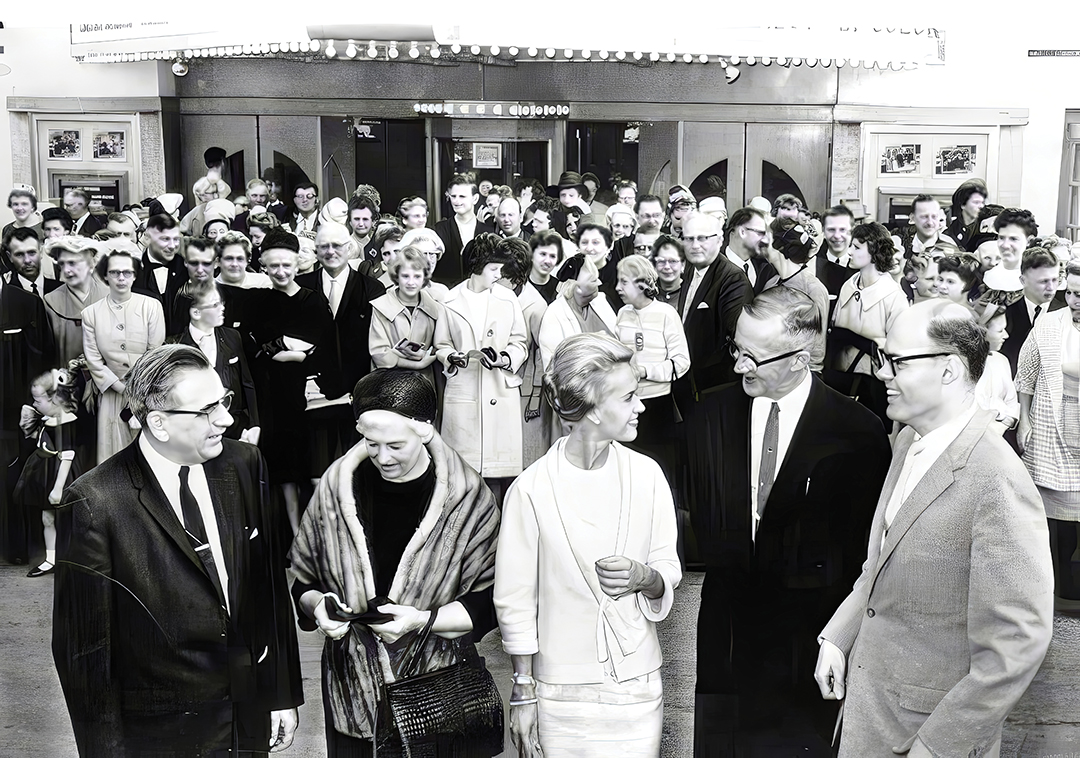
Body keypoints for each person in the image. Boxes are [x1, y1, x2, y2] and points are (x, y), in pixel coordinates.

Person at [815, 301, 1054, 758]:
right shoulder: (909, 439)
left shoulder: (996, 478)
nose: (882, 373)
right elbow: (881, 564)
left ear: (949, 370)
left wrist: (939, 745)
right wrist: (838, 638)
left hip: (925, 734)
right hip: (871, 713)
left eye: (898, 362)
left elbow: (1017, 643)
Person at [53, 344, 304, 757]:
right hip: (159, 736)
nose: (226, 419)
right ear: (158, 422)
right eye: (207, 410)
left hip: (247, 717)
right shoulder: (95, 501)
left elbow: (268, 587)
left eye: (224, 401)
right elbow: (85, 653)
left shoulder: (246, 463)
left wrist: (279, 693)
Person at [695, 286, 890, 757]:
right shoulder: (711, 415)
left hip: (806, 646)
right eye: (737, 349)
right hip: (725, 639)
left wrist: (839, 643)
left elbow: (860, 559)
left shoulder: (856, 432)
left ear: (801, 359)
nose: (739, 366)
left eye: (753, 357)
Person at [290, 368, 501, 758]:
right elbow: (304, 582)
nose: (382, 457)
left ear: (425, 430)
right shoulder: (337, 487)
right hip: (352, 693)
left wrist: (421, 621)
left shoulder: (468, 498)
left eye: (396, 445)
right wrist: (319, 606)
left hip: (437, 697)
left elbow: (488, 602)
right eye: (371, 444)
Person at [495, 332, 682, 758]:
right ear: (592, 409)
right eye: (629, 396)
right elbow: (515, 601)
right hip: (559, 692)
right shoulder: (530, 489)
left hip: (637, 687)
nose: (641, 405)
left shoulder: (648, 475)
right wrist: (523, 691)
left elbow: (667, 566)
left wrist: (646, 578)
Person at [248, 229, 333, 533]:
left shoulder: (313, 301)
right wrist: (286, 351)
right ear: (264, 267)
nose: (281, 272)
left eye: (286, 265)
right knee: (282, 467)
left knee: (309, 465)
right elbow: (255, 350)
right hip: (271, 395)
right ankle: (293, 531)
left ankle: (314, 531)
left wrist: (290, 355)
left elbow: (323, 349)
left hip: (307, 394)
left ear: (297, 265)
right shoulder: (259, 302)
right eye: (274, 266)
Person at [435, 233, 528, 497]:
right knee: (464, 475)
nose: (499, 275)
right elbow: (441, 344)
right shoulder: (450, 300)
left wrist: (505, 358)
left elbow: (520, 341)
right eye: (494, 269)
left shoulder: (508, 298)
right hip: (464, 392)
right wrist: (452, 357)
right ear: (477, 266)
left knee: (498, 477)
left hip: (499, 388)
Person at [298, 222, 387, 468]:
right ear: (316, 251)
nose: (330, 251)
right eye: (323, 246)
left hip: (360, 395)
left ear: (349, 248)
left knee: (358, 467)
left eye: (336, 245)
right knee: (318, 469)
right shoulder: (301, 286)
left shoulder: (373, 289)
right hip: (313, 395)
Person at [1016, 260, 1080, 602]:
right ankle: (1059, 585)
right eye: (1071, 293)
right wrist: (1025, 419)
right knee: (1057, 511)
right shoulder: (1049, 323)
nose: (1074, 301)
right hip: (1050, 422)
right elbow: (1026, 375)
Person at [82, 247, 166, 464]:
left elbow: (155, 353)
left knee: (148, 454)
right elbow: (93, 360)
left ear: (135, 275)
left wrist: (137, 389)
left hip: (146, 392)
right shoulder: (91, 314)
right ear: (105, 276)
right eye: (114, 272)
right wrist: (121, 388)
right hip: (111, 392)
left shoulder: (151, 306)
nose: (121, 278)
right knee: (113, 454)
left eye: (127, 272)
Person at [613, 254, 689, 485]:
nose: (617, 288)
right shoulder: (622, 314)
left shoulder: (667, 314)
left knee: (659, 471)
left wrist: (645, 371)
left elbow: (681, 362)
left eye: (624, 282)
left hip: (658, 408)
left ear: (642, 284)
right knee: (628, 472)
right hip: (627, 405)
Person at [828, 221, 908, 429]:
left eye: (856, 247)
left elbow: (899, 349)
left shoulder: (893, 296)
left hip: (874, 387)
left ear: (874, 251)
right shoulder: (848, 285)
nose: (849, 252)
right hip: (839, 380)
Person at [14, 367, 88, 578]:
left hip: (60, 476)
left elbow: (67, 457)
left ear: (54, 399)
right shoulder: (48, 419)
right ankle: (51, 559)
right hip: (46, 472)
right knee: (47, 518)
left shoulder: (66, 423)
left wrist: (57, 489)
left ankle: (73, 559)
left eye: (38, 400)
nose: (34, 404)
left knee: (66, 518)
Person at [167, 280, 260, 443]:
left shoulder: (232, 337)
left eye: (221, 302)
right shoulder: (174, 347)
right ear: (196, 312)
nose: (222, 307)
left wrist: (254, 425)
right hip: (197, 433)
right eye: (215, 305)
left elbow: (247, 383)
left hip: (235, 428)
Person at [760, 219, 829, 372]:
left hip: (800, 374)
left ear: (780, 247)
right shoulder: (770, 284)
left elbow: (816, 351)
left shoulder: (813, 289)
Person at [369, 246, 443, 384]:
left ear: (424, 278)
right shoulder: (381, 307)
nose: (411, 282)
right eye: (405, 276)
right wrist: (418, 364)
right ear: (397, 276)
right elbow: (379, 354)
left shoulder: (436, 308)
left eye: (417, 276)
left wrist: (427, 354)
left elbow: (442, 347)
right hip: (389, 384)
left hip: (424, 384)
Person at [538, 253, 618, 371]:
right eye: (592, 280)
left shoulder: (601, 301)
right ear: (574, 286)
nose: (599, 283)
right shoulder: (554, 314)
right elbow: (554, 366)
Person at [999, 246, 1066, 375]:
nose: (1051, 288)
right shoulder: (1005, 313)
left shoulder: (1068, 311)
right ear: (1023, 281)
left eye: (1055, 279)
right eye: (1043, 281)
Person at [434, 174, 494, 285]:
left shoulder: (489, 232)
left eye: (462, 196)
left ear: (475, 199)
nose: (456, 201)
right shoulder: (439, 229)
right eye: (453, 196)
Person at [974, 306, 1020, 436]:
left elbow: (1012, 404)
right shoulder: (961, 365)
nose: (1006, 335)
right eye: (1000, 331)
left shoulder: (1001, 360)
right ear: (981, 332)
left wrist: (1000, 427)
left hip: (998, 436)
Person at [982, 207, 1038, 293]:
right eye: (1001, 238)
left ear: (1029, 241)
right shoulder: (989, 277)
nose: (1005, 245)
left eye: (1013, 239)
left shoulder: (1039, 278)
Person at [3, 227, 59, 297]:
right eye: (19, 254)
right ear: (10, 257)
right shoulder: (4, 293)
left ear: (41, 252)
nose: (27, 260)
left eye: (32, 253)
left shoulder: (60, 289)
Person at [946, 180, 988, 251]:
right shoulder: (950, 231)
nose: (981, 206)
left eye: (982, 202)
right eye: (976, 202)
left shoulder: (986, 223)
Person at [527, 229, 563, 305]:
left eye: (552, 256)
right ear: (531, 254)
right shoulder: (517, 284)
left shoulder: (560, 289)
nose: (547, 261)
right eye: (543, 254)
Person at [651, 234, 685, 307]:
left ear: (682, 265)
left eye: (673, 261)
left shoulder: (691, 293)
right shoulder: (647, 293)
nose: (667, 267)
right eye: (661, 261)